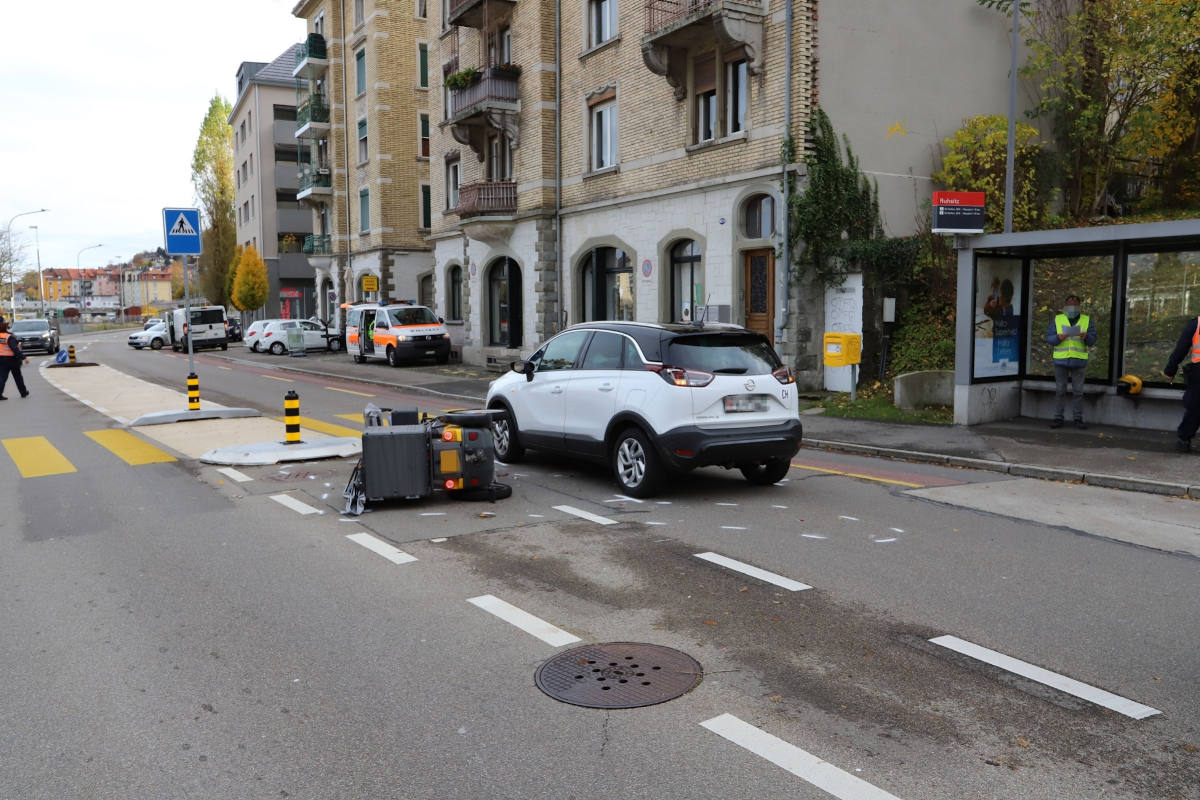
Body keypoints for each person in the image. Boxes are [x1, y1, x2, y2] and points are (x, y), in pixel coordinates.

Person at [1044, 292, 1097, 429]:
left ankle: (1078, 419)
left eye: (1075, 306)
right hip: (1061, 361)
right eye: (1069, 306)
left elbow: (1092, 341)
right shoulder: (1058, 319)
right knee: (1060, 391)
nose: (1072, 308)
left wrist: (1085, 336)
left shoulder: (1086, 320)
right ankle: (1057, 418)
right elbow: (1049, 338)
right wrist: (1058, 338)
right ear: (1065, 307)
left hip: (1079, 361)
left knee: (1078, 392)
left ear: (1079, 307)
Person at [1163, 315, 1200, 453]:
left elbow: (1181, 348)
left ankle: (1184, 440)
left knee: (1195, 407)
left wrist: (1171, 369)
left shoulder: (1197, 323)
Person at [0, 320, 30, 400]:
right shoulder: (9, 337)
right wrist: (24, 357)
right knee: (18, 377)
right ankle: (23, 392)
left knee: (2, 377)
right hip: (12, 359)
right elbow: (15, 349)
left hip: (1, 360)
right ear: (5, 327)